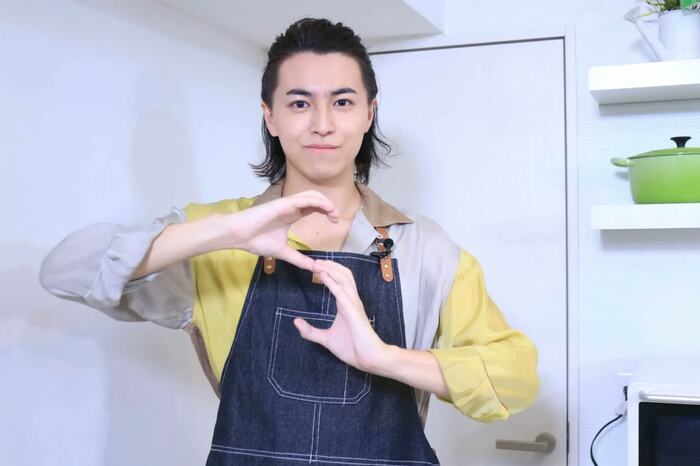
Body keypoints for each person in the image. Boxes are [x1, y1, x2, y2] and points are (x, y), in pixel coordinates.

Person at [39, 17, 539, 466]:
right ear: (270, 116)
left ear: (369, 113)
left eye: (342, 102)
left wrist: (383, 358)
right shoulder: (213, 236)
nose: (322, 124)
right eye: (300, 103)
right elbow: (63, 272)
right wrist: (228, 230)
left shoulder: (425, 247)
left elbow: (515, 378)